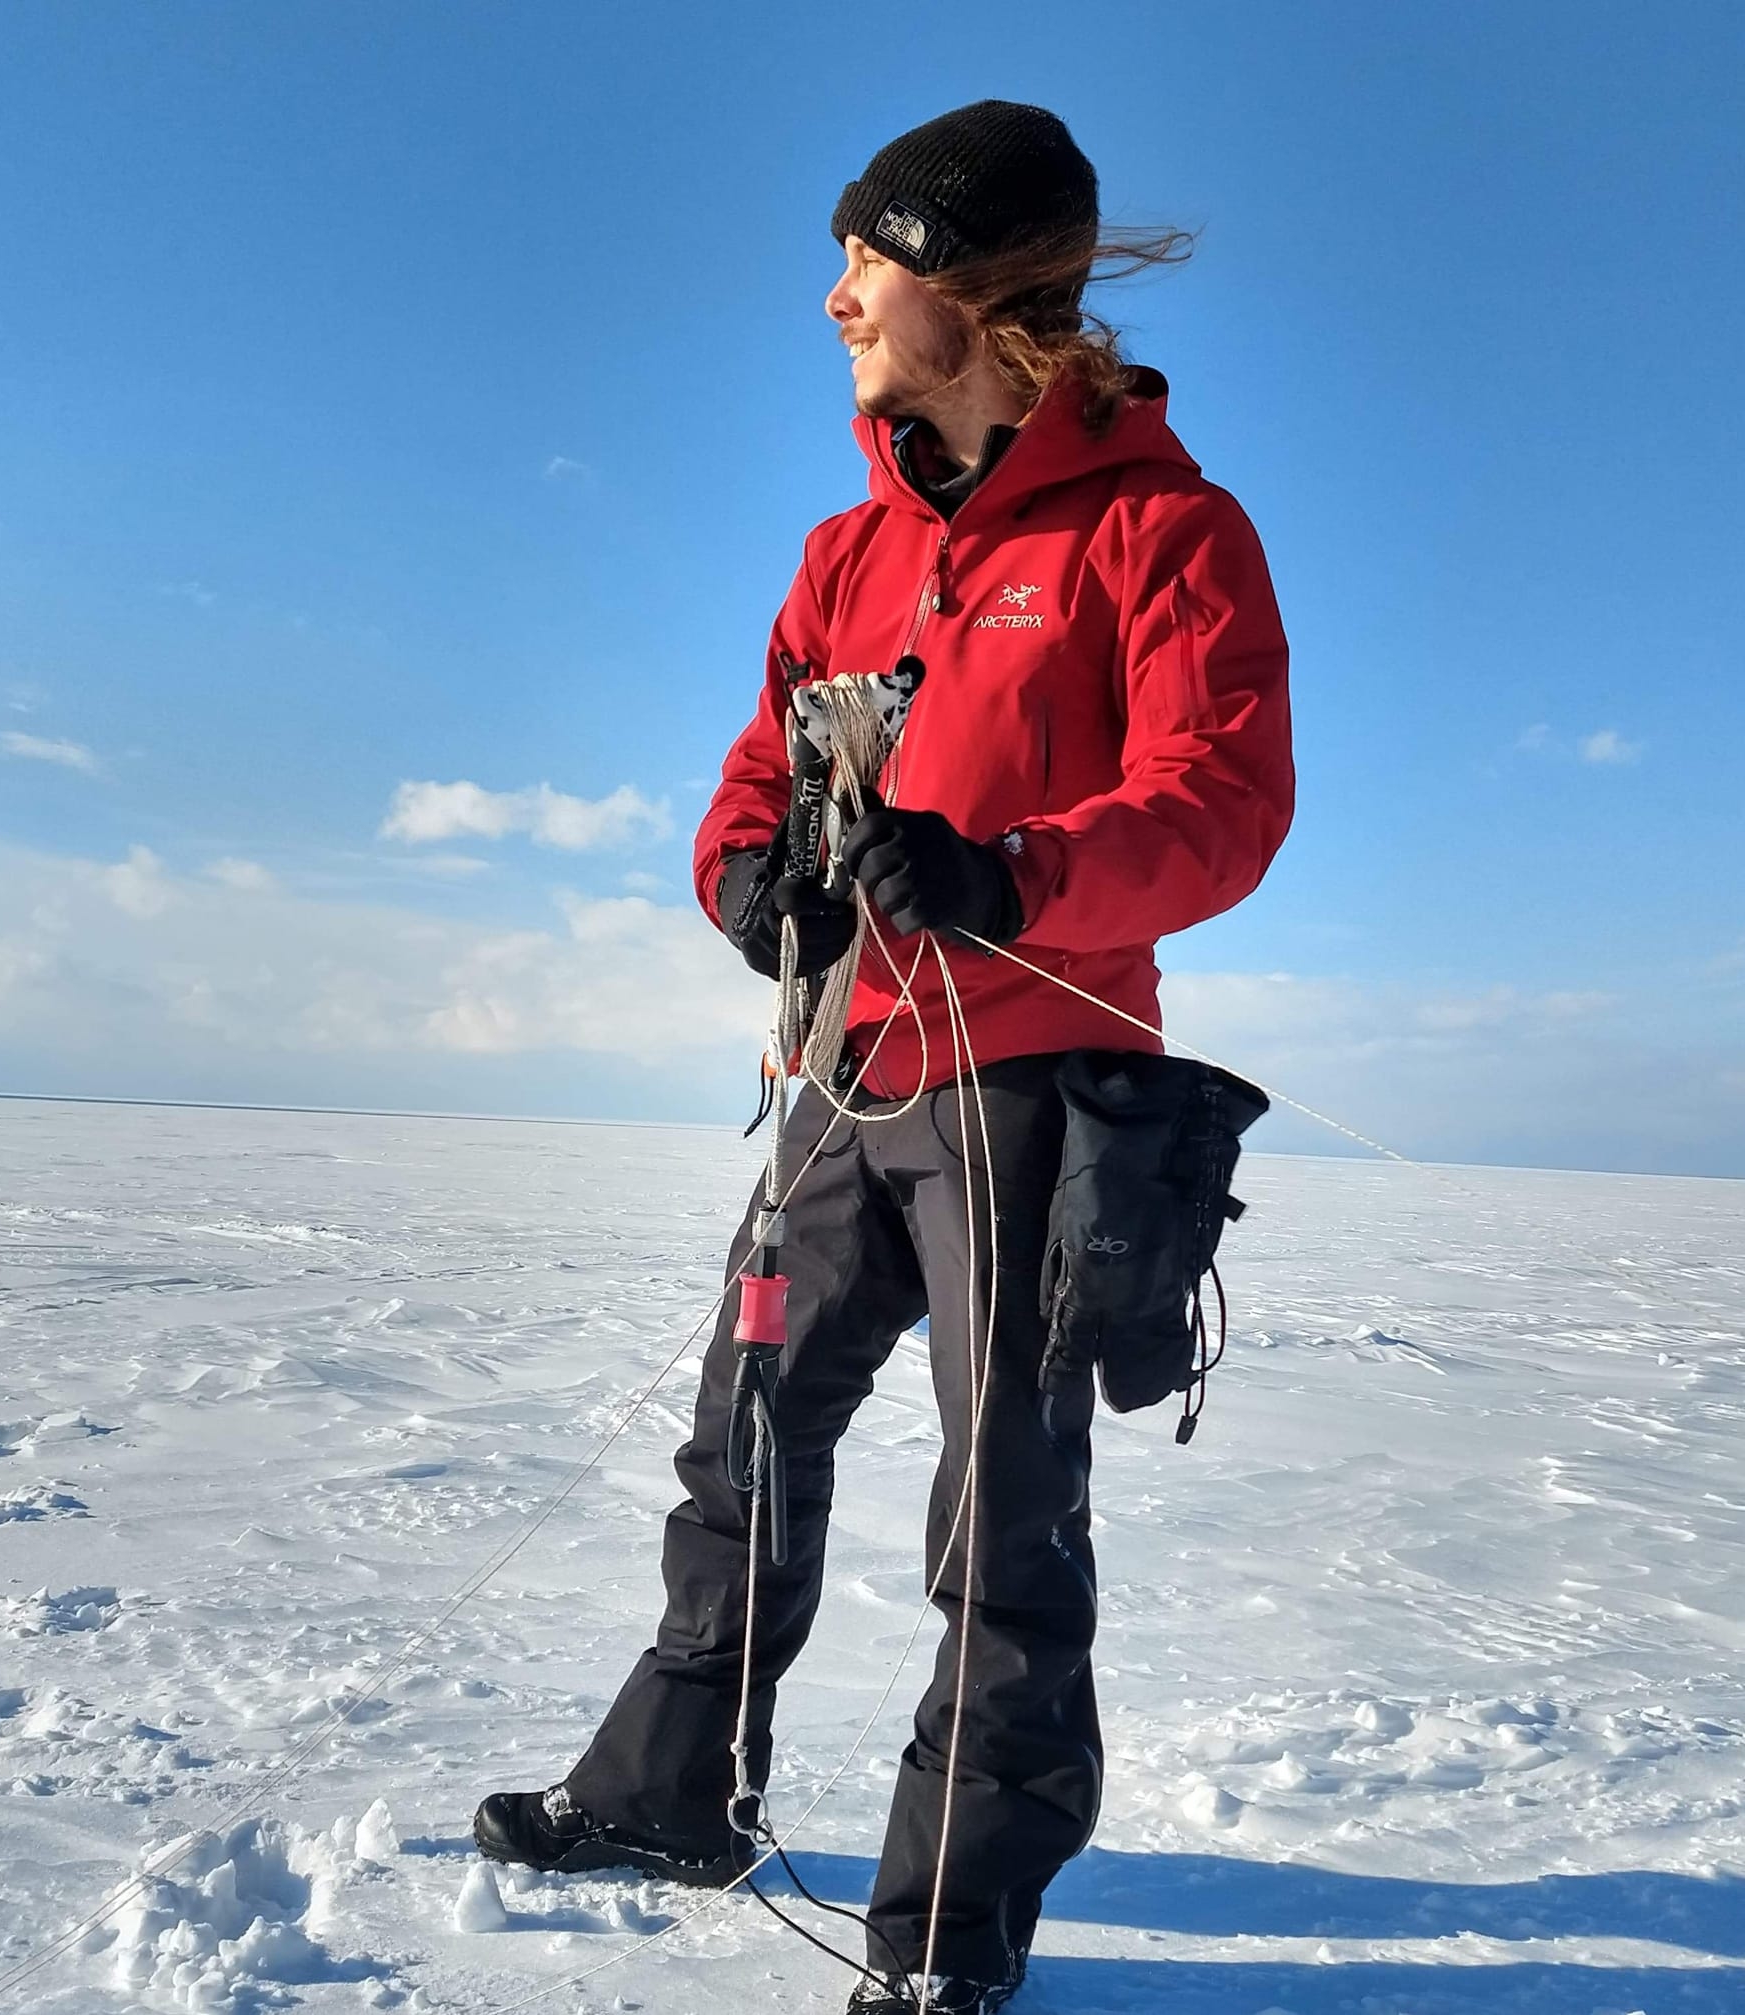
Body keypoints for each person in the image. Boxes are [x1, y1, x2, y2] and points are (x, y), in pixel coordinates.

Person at [475, 100, 1294, 2013]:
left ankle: (946, 1938)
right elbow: (755, 773)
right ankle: (672, 1792)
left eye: (870, 257)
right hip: (842, 1078)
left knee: (1001, 1512)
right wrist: (743, 877)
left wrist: (1013, 873)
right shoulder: (846, 553)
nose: (836, 295)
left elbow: (1223, 804)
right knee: (741, 1444)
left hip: (1030, 1087)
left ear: (980, 288)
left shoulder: (1163, 531)